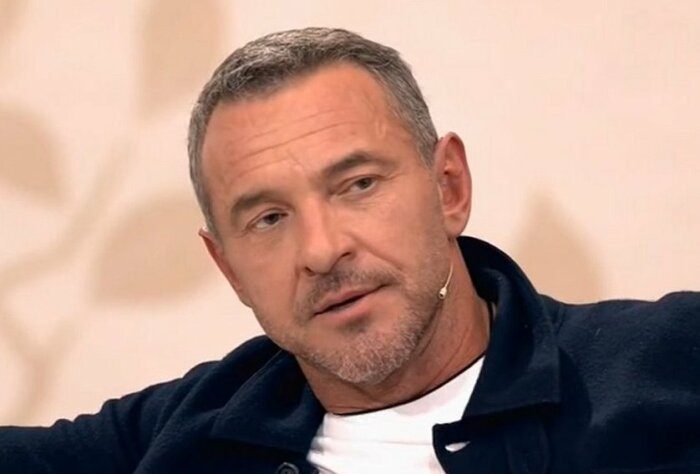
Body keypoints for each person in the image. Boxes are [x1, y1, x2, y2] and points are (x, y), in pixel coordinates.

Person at [1, 27, 699, 474]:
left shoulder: (669, 362)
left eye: (357, 184)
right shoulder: (189, 430)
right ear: (228, 269)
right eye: (269, 218)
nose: (322, 249)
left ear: (448, 187)